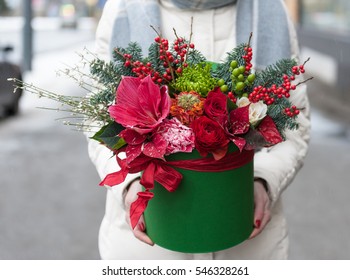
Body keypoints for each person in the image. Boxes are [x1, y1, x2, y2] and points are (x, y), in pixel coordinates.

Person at [86, 0, 310, 259]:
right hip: (147, 248)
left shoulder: (269, 9)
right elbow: (101, 118)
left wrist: (264, 180)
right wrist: (132, 184)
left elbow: (295, 121)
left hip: (249, 243)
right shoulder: (124, 9)